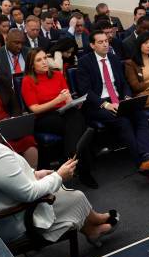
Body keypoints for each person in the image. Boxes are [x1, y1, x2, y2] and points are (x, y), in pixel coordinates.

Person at [0, 89, 118, 246]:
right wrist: (59, 176)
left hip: (3, 202)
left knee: (64, 192)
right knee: (76, 195)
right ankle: (95, 222)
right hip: (17, 219)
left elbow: (3, 176)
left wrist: (35, 173)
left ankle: (93, 228)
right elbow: (29, 194)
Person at [76, 30, 149, 183]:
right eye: (100, 42)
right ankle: (142, 164)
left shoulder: (113, 58)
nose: (105, 44)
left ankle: (148, 159)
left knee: (140, 115)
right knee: (123, 121)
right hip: (98, 104)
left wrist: (126, 97)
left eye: (106, 41)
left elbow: (123, 83)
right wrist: (105, 104)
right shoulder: (85, 62)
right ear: (92, 45)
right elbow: (85, 91)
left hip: (118, 100)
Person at [21, 49, 97, 188]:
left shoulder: (57, 75)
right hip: (43, 118)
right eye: (39, 60)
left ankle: (70, 159)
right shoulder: (27, 81)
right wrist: (57, 100)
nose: (44, 61)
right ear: (32, 65)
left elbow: (66, 99)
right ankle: (83, 170)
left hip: (64, 112)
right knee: (79, 125)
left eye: (45, 58)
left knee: (76, 116)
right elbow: (35, 109)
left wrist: (72, 101)